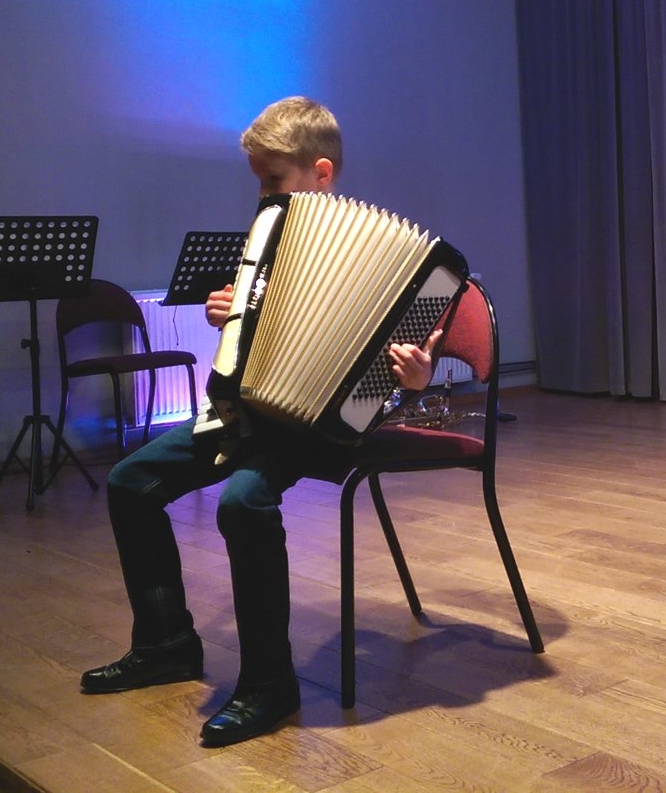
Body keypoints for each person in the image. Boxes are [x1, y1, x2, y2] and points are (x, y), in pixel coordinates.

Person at [79, 96, 439, 748]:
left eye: (272, 179)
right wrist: (230, 313)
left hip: (319, 429)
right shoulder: (267, 241)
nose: (262, 194)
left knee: (242, 501)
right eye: (259, 181)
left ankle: (270, 683)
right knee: (131, 482)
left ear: (320, 173)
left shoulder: (400, 262)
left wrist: (414, 377)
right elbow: (250, 341)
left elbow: (398, 374)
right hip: (246, 413)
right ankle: (165, 645)